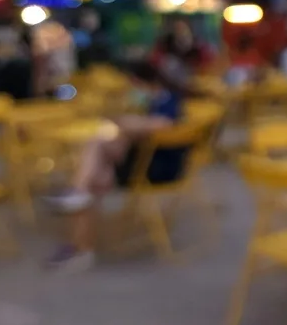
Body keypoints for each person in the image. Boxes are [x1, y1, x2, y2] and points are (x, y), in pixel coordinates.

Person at [44, 61, 188, 271]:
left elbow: (163, 125)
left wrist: (128, 123)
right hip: (144, 164)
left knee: (94, 162)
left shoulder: (167, 103)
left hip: (152, 170)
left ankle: (79, 245)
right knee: (96, 174)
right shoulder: (160, 101)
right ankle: (79, 208)